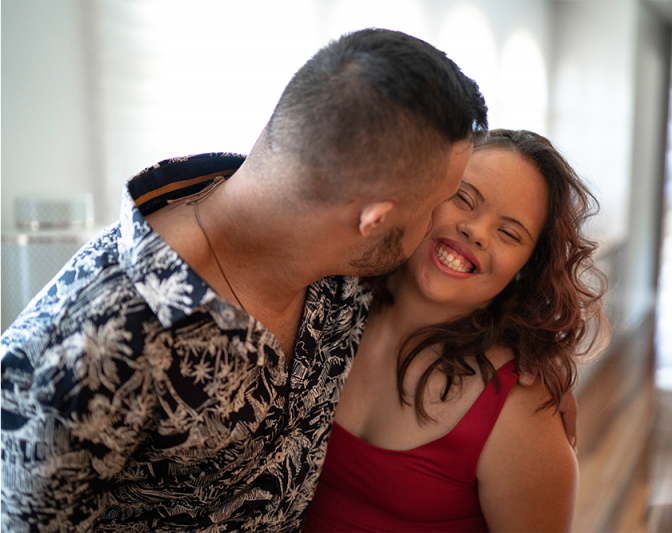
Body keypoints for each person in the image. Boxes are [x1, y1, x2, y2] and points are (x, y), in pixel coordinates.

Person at [0, 29, 488, 532]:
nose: (440, 224)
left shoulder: (345, 273)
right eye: (434, 205)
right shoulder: (85, 346)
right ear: (374, 218)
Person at [303, 129, 607, 532]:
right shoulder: (327, 297)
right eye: (463, 198)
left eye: (509, 233)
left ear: (528, 268)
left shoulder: (520, 409)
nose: (476, 232)